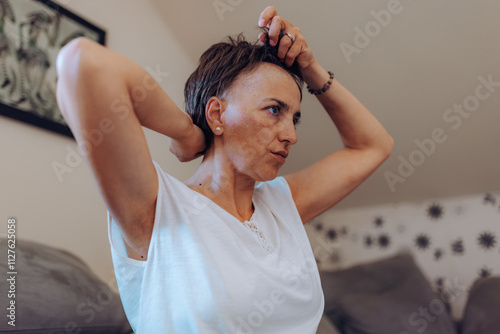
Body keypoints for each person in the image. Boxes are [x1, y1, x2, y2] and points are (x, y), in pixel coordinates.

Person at [56, 5, 393, 334]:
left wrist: (311, 67)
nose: (291, 135)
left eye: (295, 118)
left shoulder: (281, 203)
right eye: (274, 110)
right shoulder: (158, 209)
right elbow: (84, 63)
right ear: (216, 115)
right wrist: (186, 133)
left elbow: (375, 145)